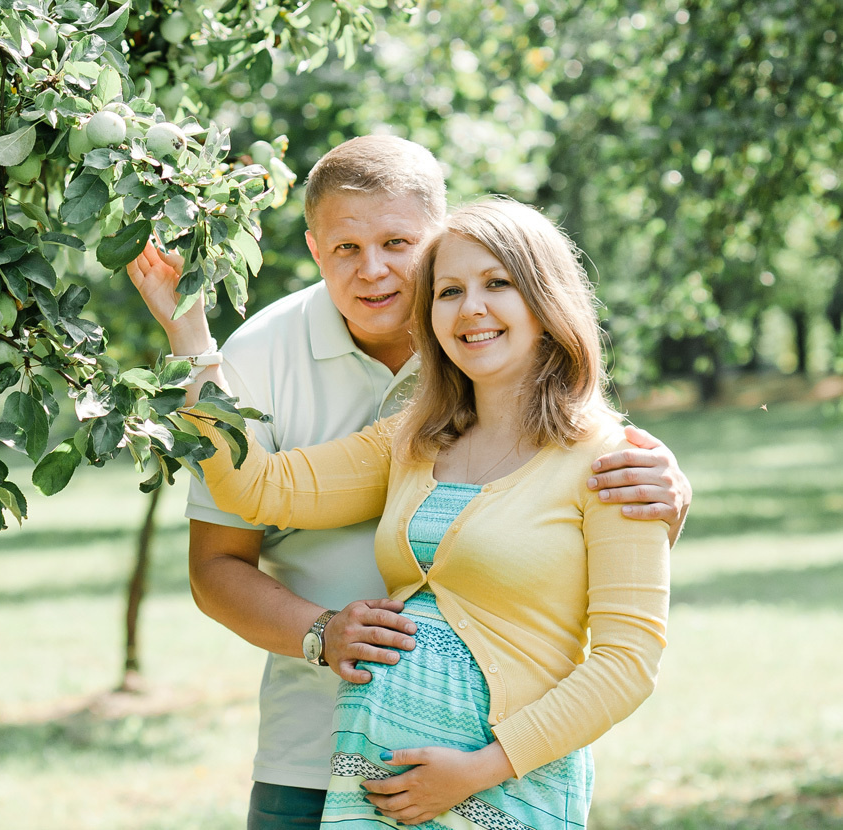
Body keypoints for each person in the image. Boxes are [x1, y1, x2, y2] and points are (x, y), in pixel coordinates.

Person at [130, 136, 691, 828]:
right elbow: (257, 488)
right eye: (451, 291)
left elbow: (627, 664)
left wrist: (479, 770)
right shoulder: (416, 440)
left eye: (497, 286)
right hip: (362, 783)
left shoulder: (612, 459)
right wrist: (192, 340)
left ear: (546, 302)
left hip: (503, 786)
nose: (470, 310)